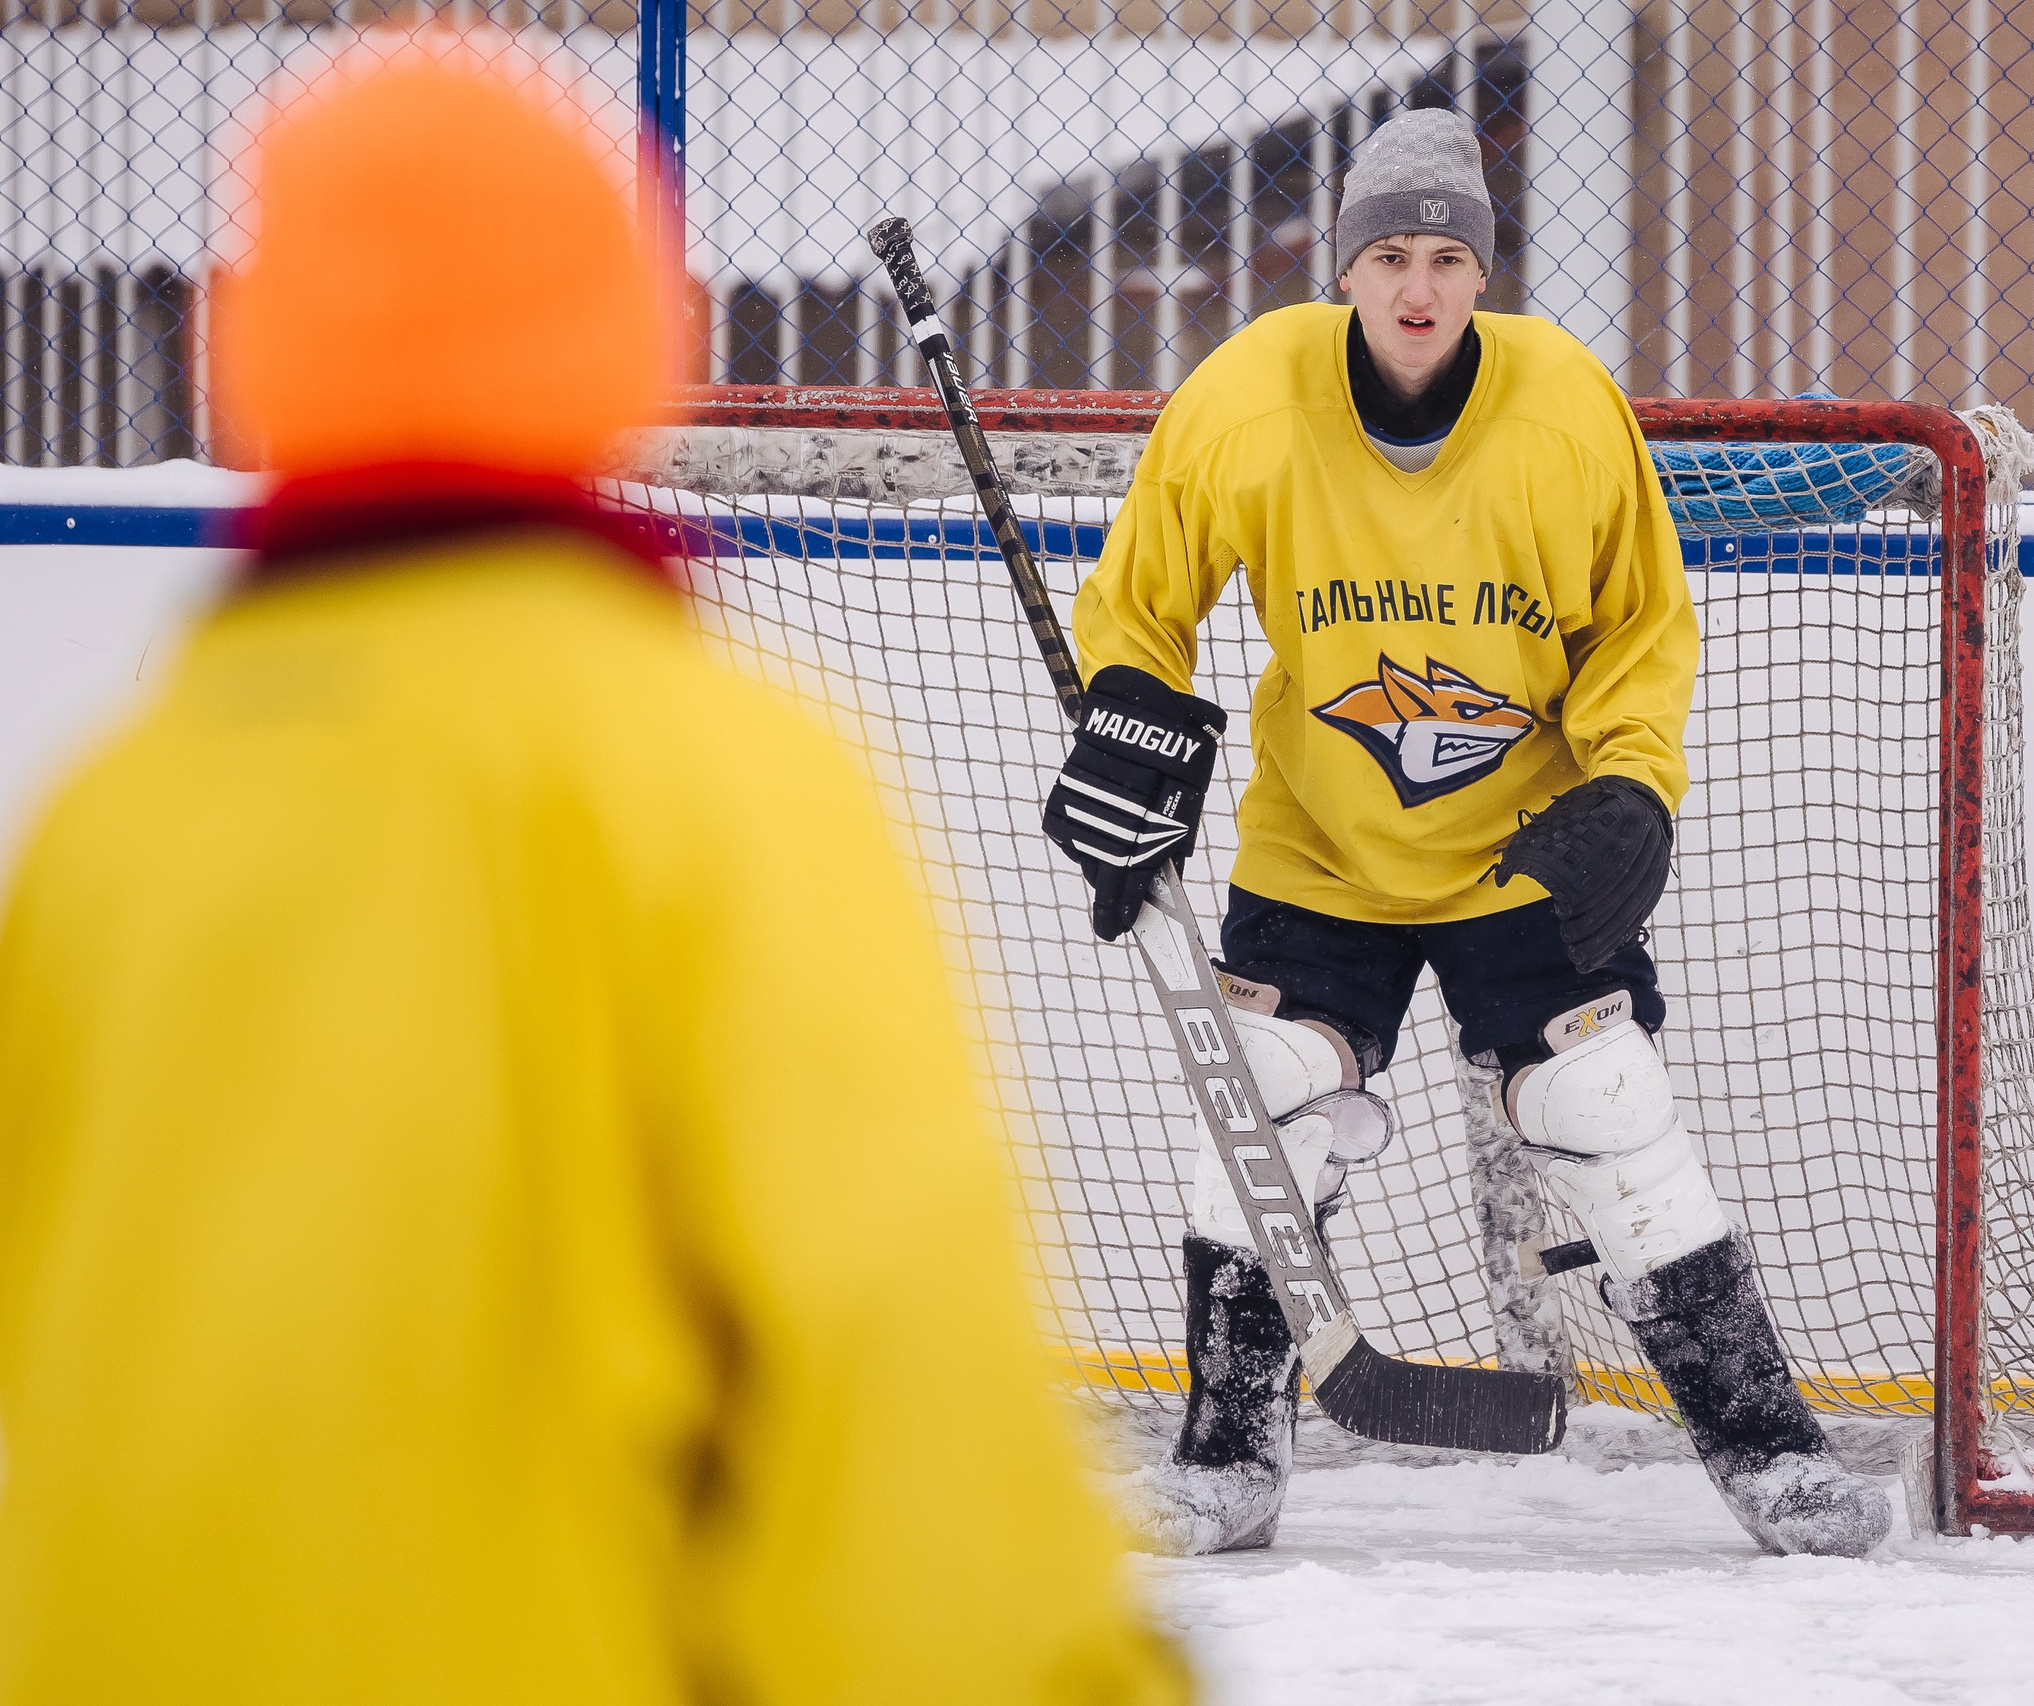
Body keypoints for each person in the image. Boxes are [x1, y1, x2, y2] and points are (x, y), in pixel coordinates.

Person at [0, 46, 1189, 1705]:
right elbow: (889, 1372)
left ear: (252, 336)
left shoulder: (106, 829)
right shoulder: (718, 784)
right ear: (626, 320)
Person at [1043, 106, 1893, 1561]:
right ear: (1349, 274)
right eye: (1390, 256)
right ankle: (1228, 1453)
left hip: (1526, 844)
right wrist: (1132, 717)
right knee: (1261, 1103)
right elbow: (1142, 595)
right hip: (1319, 847)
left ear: (1482, 273)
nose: (1419, 285)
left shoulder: (1565, 410)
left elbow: (1639, 624)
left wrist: (1632, 784)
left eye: (1447, 255)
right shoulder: (1250, 397)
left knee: (1608, 1109)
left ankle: (1767, 1450)